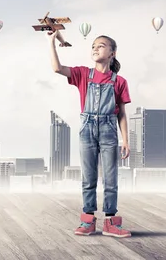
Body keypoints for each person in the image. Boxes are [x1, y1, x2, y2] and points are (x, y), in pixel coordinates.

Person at [48, 31, 132, 238]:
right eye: (93, 45)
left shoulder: (119, 81)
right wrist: (51, 42)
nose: (95, 48)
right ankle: (87, 221)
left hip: (109, 129)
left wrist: (126, 140)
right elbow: (57, 68)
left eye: (101, 45)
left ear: (112, 53)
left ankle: (111, 222)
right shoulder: (83, 74)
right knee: (88, 178)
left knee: (110, 178)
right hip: (87, 129)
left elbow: (121, 113)